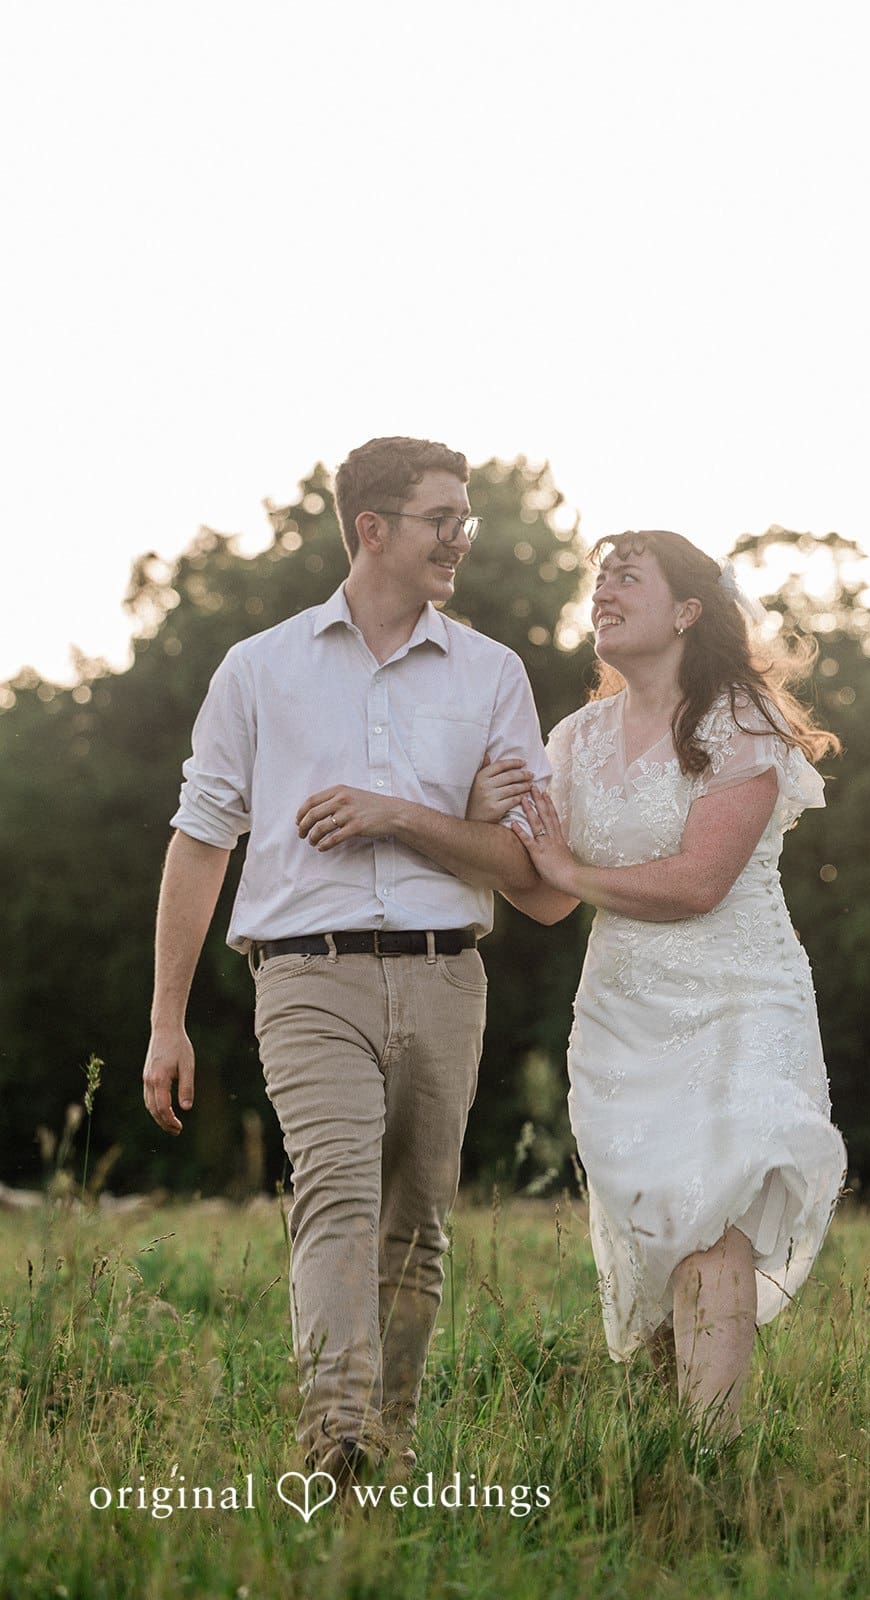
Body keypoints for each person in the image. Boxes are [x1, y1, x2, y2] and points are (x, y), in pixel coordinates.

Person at [143, 435, 550, 1479]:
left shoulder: (494, 675)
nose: (462, 536)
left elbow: (519, 859)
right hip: (305, 972)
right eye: (441, 518)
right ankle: (337, 1437)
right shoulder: (259, 669)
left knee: (416, 1224)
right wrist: (165, 1020)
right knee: (337, 1193)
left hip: (447, 971)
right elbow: (200, 840)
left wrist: (397, 816)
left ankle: (391, 1443)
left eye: (466, 517)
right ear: (372, 529)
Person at [469, 529, 846, 1443]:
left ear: (685, 610)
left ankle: (714, 1465)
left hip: (737, 998)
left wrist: (561, 868)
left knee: (714, 1217)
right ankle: (665, 1450)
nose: (603, 590)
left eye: (626, 577)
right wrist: (475, 817)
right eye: (598, 578)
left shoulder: (738, 721)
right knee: (651, 1234)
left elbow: (693, 883)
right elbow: (547, 900)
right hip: (621, 1014)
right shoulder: (574, 738)